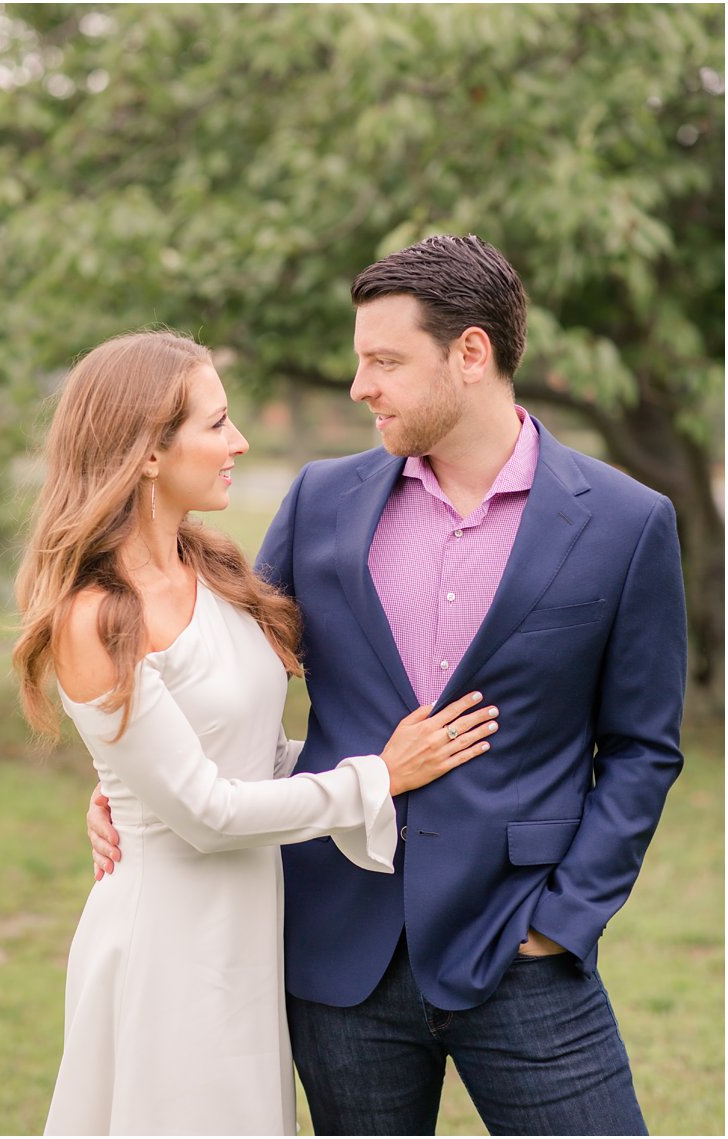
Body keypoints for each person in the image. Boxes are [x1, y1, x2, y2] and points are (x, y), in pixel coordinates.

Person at [89, 236, 687, 1134]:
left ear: (471, 355)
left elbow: (642, 748)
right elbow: (221, 674)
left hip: (521, 946)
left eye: (385, 361)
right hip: (339, 951)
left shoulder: (627, 524)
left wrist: (562, 920)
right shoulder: (321, 500)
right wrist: (127, 777)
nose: (360, 383)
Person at [13, 328, 499, 1135]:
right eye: (216, 424)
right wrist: (378, 777)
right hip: (167, 935)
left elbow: (250, 754)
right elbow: (205, 811)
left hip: (250, 927)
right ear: (147, 453)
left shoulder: (216, 568)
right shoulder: (94, 614)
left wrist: (130, 781)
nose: (238, 441)